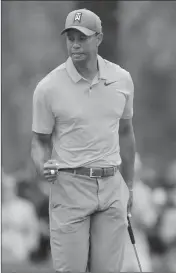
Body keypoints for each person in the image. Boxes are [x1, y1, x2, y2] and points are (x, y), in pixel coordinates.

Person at [31, 8, 135, 273]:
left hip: (112, 188)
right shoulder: (48, 88)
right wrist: (44, 166)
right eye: (71, 38)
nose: (75, 45)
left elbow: (126, 133)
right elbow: (39, 143)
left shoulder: (122, 80)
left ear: (98, 38)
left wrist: (129, 187)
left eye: (82, 38)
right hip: (69, 188)